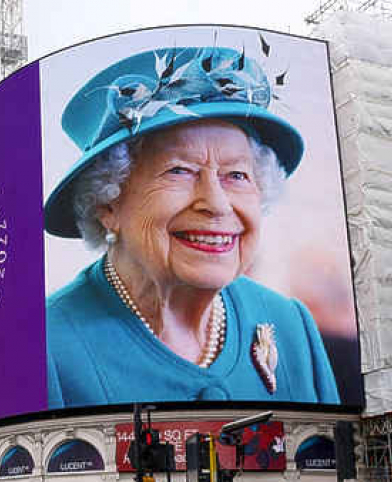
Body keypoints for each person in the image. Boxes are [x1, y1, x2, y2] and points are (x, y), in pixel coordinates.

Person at [43, 45, 340, 409]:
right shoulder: (47, 348)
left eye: (237, 175)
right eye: (179, 170)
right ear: (107, 203)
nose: (216, 203)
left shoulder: (292, 327)